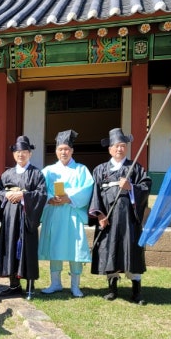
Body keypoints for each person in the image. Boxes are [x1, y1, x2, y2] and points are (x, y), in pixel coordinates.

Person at [89, 128, 151, 305]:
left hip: (129, 220)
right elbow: (95, 194)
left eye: (122, 146)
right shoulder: (100, 170)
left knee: (131, 251)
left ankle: (136, 291)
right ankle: (112, 288)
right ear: (110, 149)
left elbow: (146, 187)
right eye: (116, 146)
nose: (119, 149)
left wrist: (131, 188)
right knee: (110, 251)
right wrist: (100, 215)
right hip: (108, 220)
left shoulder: (136, 168)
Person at [38, 130, 94, 297]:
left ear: (72, 151)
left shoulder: (81, 170)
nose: (64, 152)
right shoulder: (48, 171)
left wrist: (69, 198)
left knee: (74, 247)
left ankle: (75, 285)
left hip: (72, 213)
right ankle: (55, 282)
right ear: (56, 151)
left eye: (67, 149)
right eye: (60, 149)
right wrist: (49, 198)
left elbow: (87, 188)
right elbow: (41, 190)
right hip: (54, 213)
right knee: (55, 247)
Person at [0, 135, 47, 300]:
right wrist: (8, 194)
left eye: (24, 152)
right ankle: (13, 285)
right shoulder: (7, 174)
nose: (21, 155)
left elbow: (41, 194)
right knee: (10, 247)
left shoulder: (36, 174)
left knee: (27, 249)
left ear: (30, 154)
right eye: (18, 152)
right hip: (10, 219)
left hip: (26, 218)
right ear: (13, 154)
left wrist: (23, 196)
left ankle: (30, 286)